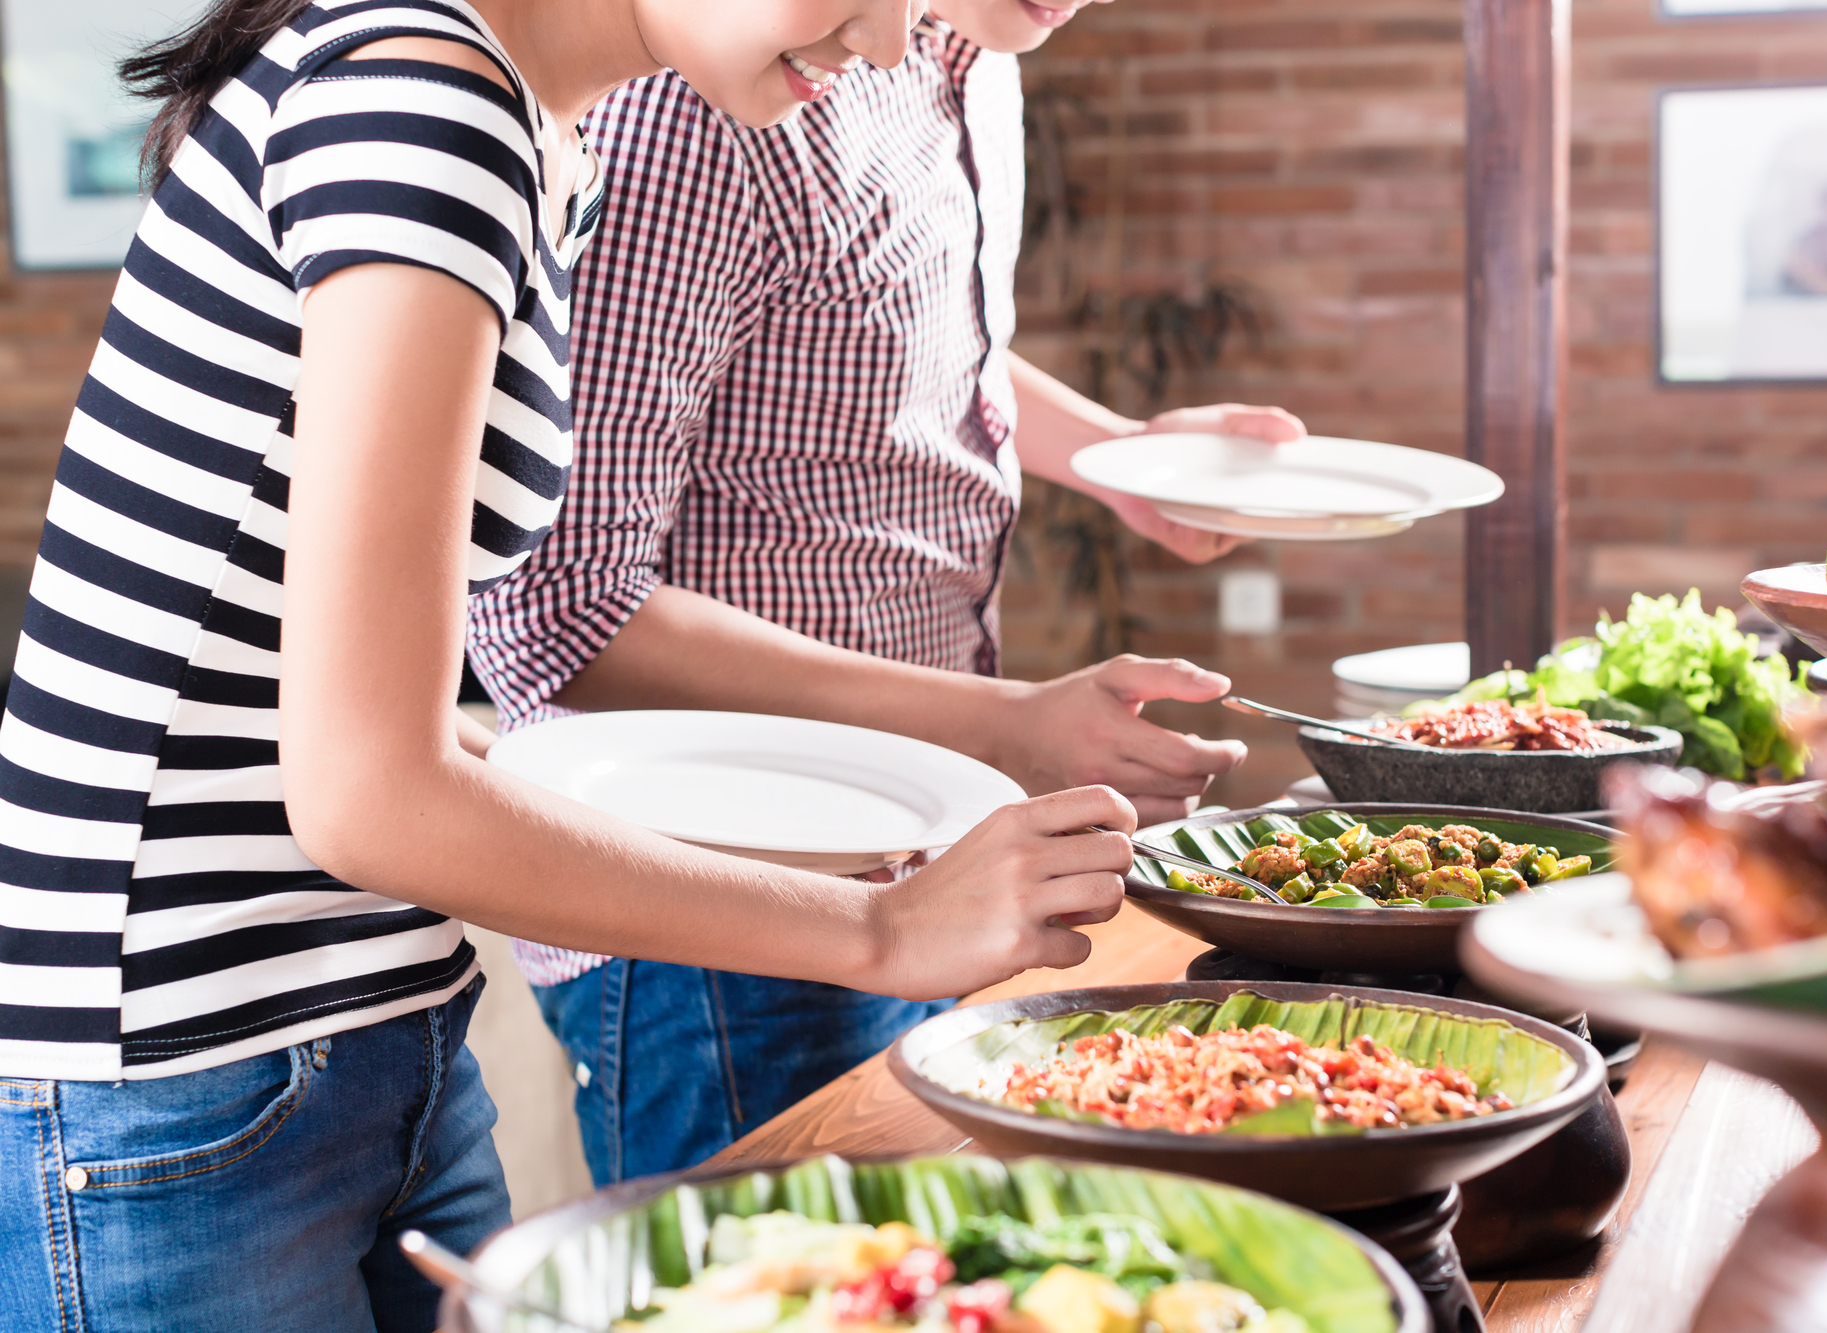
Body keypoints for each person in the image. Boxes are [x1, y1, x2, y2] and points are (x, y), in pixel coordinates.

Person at [0, 2, 1139, 1328]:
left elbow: (301, 685)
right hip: (188, 1074)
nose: (890, 42)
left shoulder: (529, 123)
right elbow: (364, 792)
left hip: (365, 1026)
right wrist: (885, 929)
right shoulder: (422, 109)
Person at [465, 0, 1304, 1184]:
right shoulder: (704, 108)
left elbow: (869, 325)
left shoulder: (973, 60)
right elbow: (561, 615)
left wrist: (1117, 457)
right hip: (723, 910)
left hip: (921, 861)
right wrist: (1011, 723)